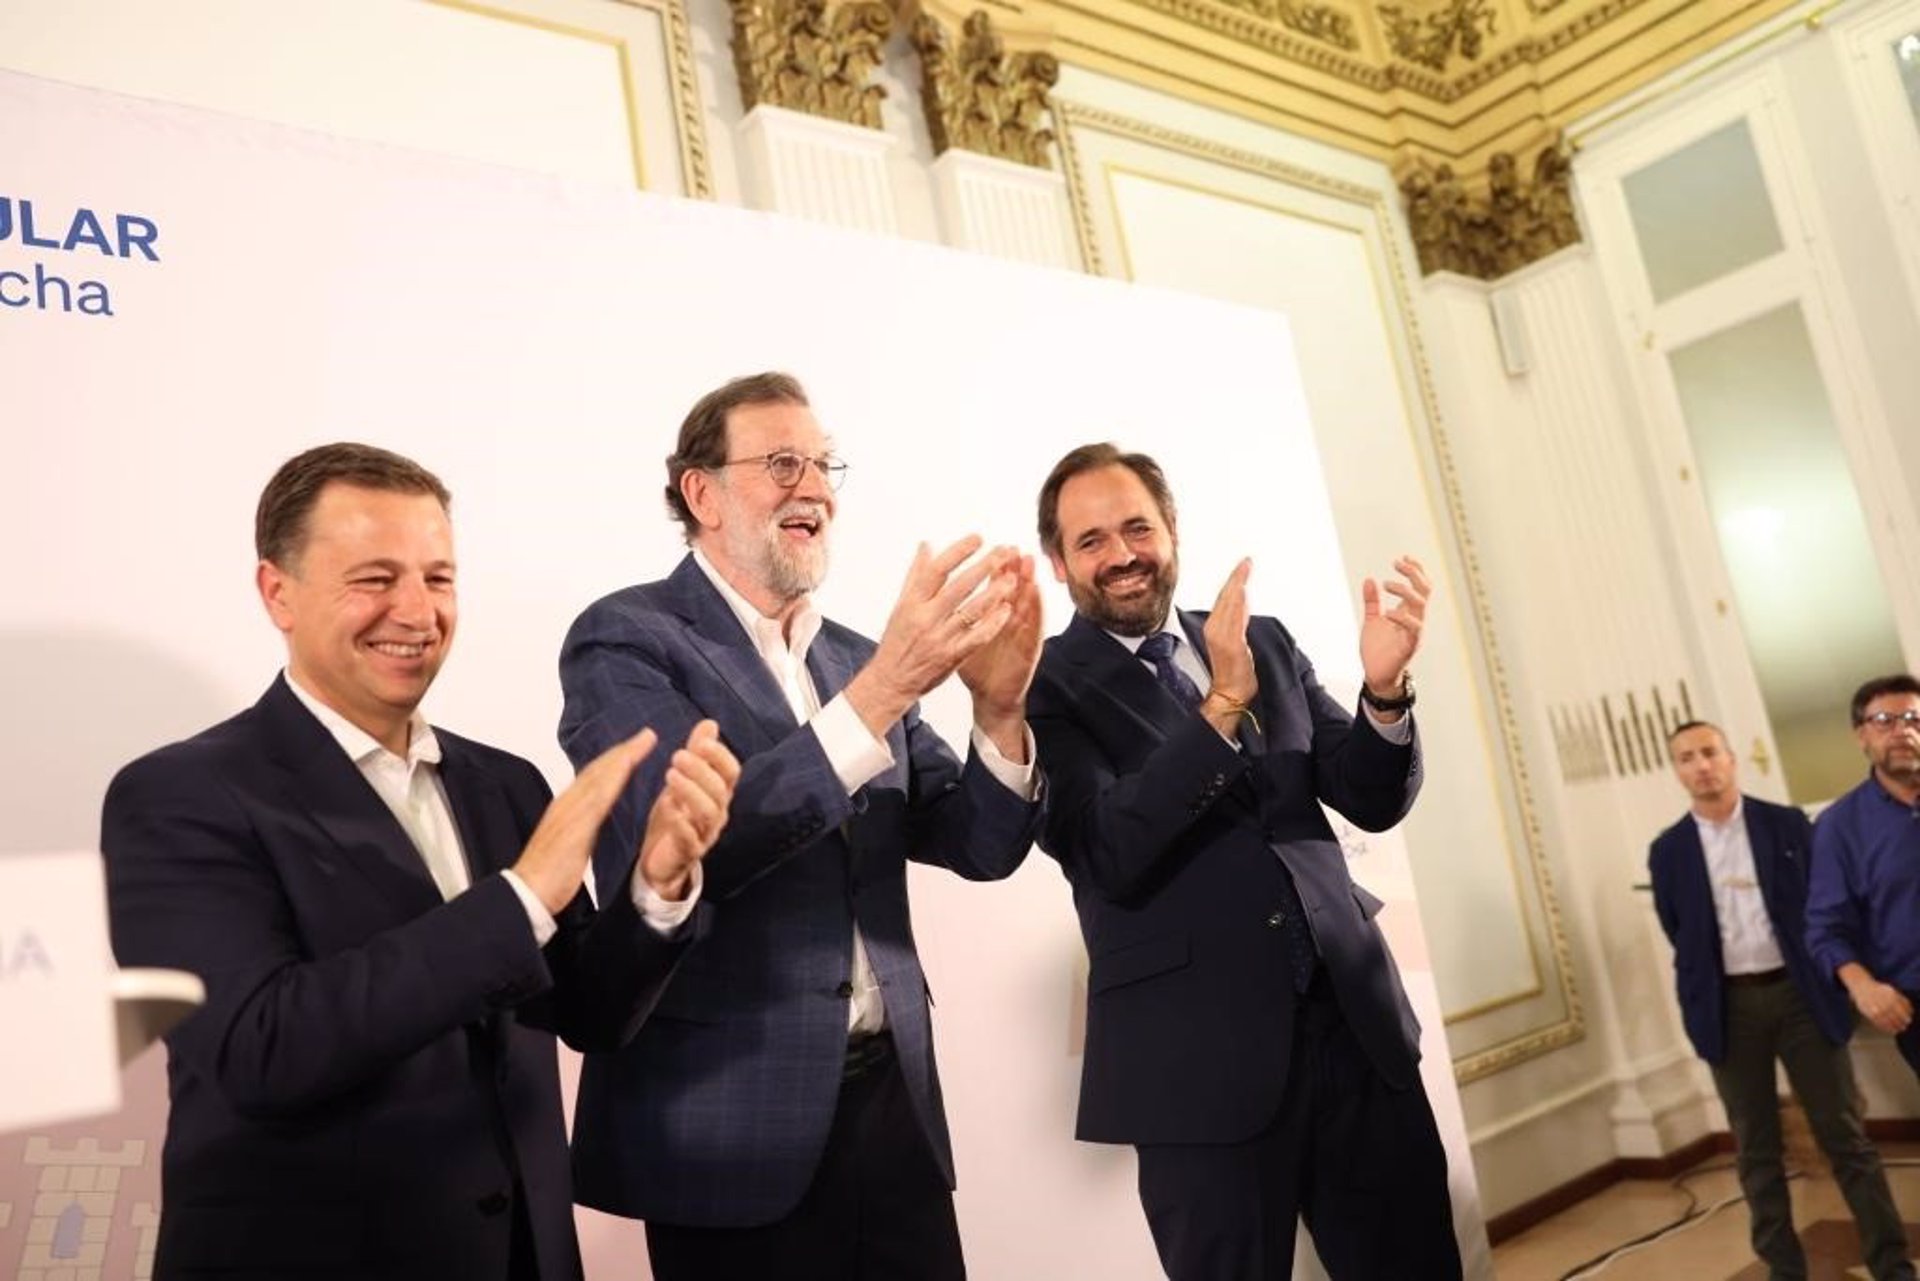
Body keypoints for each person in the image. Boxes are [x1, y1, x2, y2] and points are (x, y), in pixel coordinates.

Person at [101, 443, 740, 1281]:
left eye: (438, 578)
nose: (416, 610)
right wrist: (516, 903)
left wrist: (659, 887)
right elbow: (261, 1048)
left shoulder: (503, 783)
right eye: (374, 578)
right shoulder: (178, 794)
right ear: (276, 592)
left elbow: (590, 1010)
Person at [557, 372, 1044, 1280]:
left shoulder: (855, 656)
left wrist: (1001, 714)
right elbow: (685, 840)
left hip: (893, 1110)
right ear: (700, 492)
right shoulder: (625, 638)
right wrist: (887, 690)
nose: (813, 486)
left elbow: (978, 844)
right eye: (782, 462)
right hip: (729, 1123)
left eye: (824, 465)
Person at [1024, 442, 1460, 1281]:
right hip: (1197, 1070)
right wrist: (1220, 705)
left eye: (1136, 527)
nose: (1120, 554)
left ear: (1172, 529)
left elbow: (1365, 794)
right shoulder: (1044, 688)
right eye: (1090, 540)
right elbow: (1106, 848)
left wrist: (1385, 691)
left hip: (1355, 1032)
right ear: (1058, 561)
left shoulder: (1263, 639)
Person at [1650, 720, 1912, 1281]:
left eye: (1710, 752)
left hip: (1800, 999)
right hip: (1727, 1009)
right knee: (1755, 1150)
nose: (1701, 765)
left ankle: (1891, 1264)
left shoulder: (1788, 826)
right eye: (1687, 757)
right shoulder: (1668, 851)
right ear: (1677, 771)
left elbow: (1825, 907)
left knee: (1846, 1139)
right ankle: (1784, 1271)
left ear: (1731, 758)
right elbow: (1680, 932)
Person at [1809, 673, 1920, 1081]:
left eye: (1913, 718)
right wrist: (1863, 986)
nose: (1902, 730)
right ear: (1861, 736)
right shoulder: (1839, 828)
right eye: (1884, 721)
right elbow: (1825, 929)